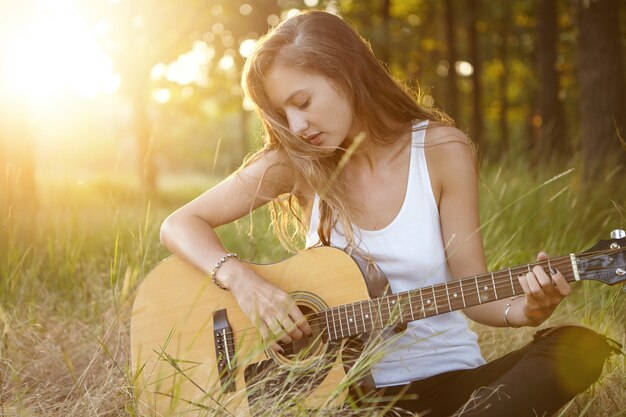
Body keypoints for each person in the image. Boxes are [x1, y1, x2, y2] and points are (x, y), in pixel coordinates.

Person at [159, 10, 618, 417]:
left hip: (450, 385)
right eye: (283, 114)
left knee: (578, 347)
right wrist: (243, 280)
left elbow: (475, 292)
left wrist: (527, 308)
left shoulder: (440, 150)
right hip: (345, 395)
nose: (297, 126)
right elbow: (178, 224)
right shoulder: (294, 165)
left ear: (347, 74)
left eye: (302, 102)